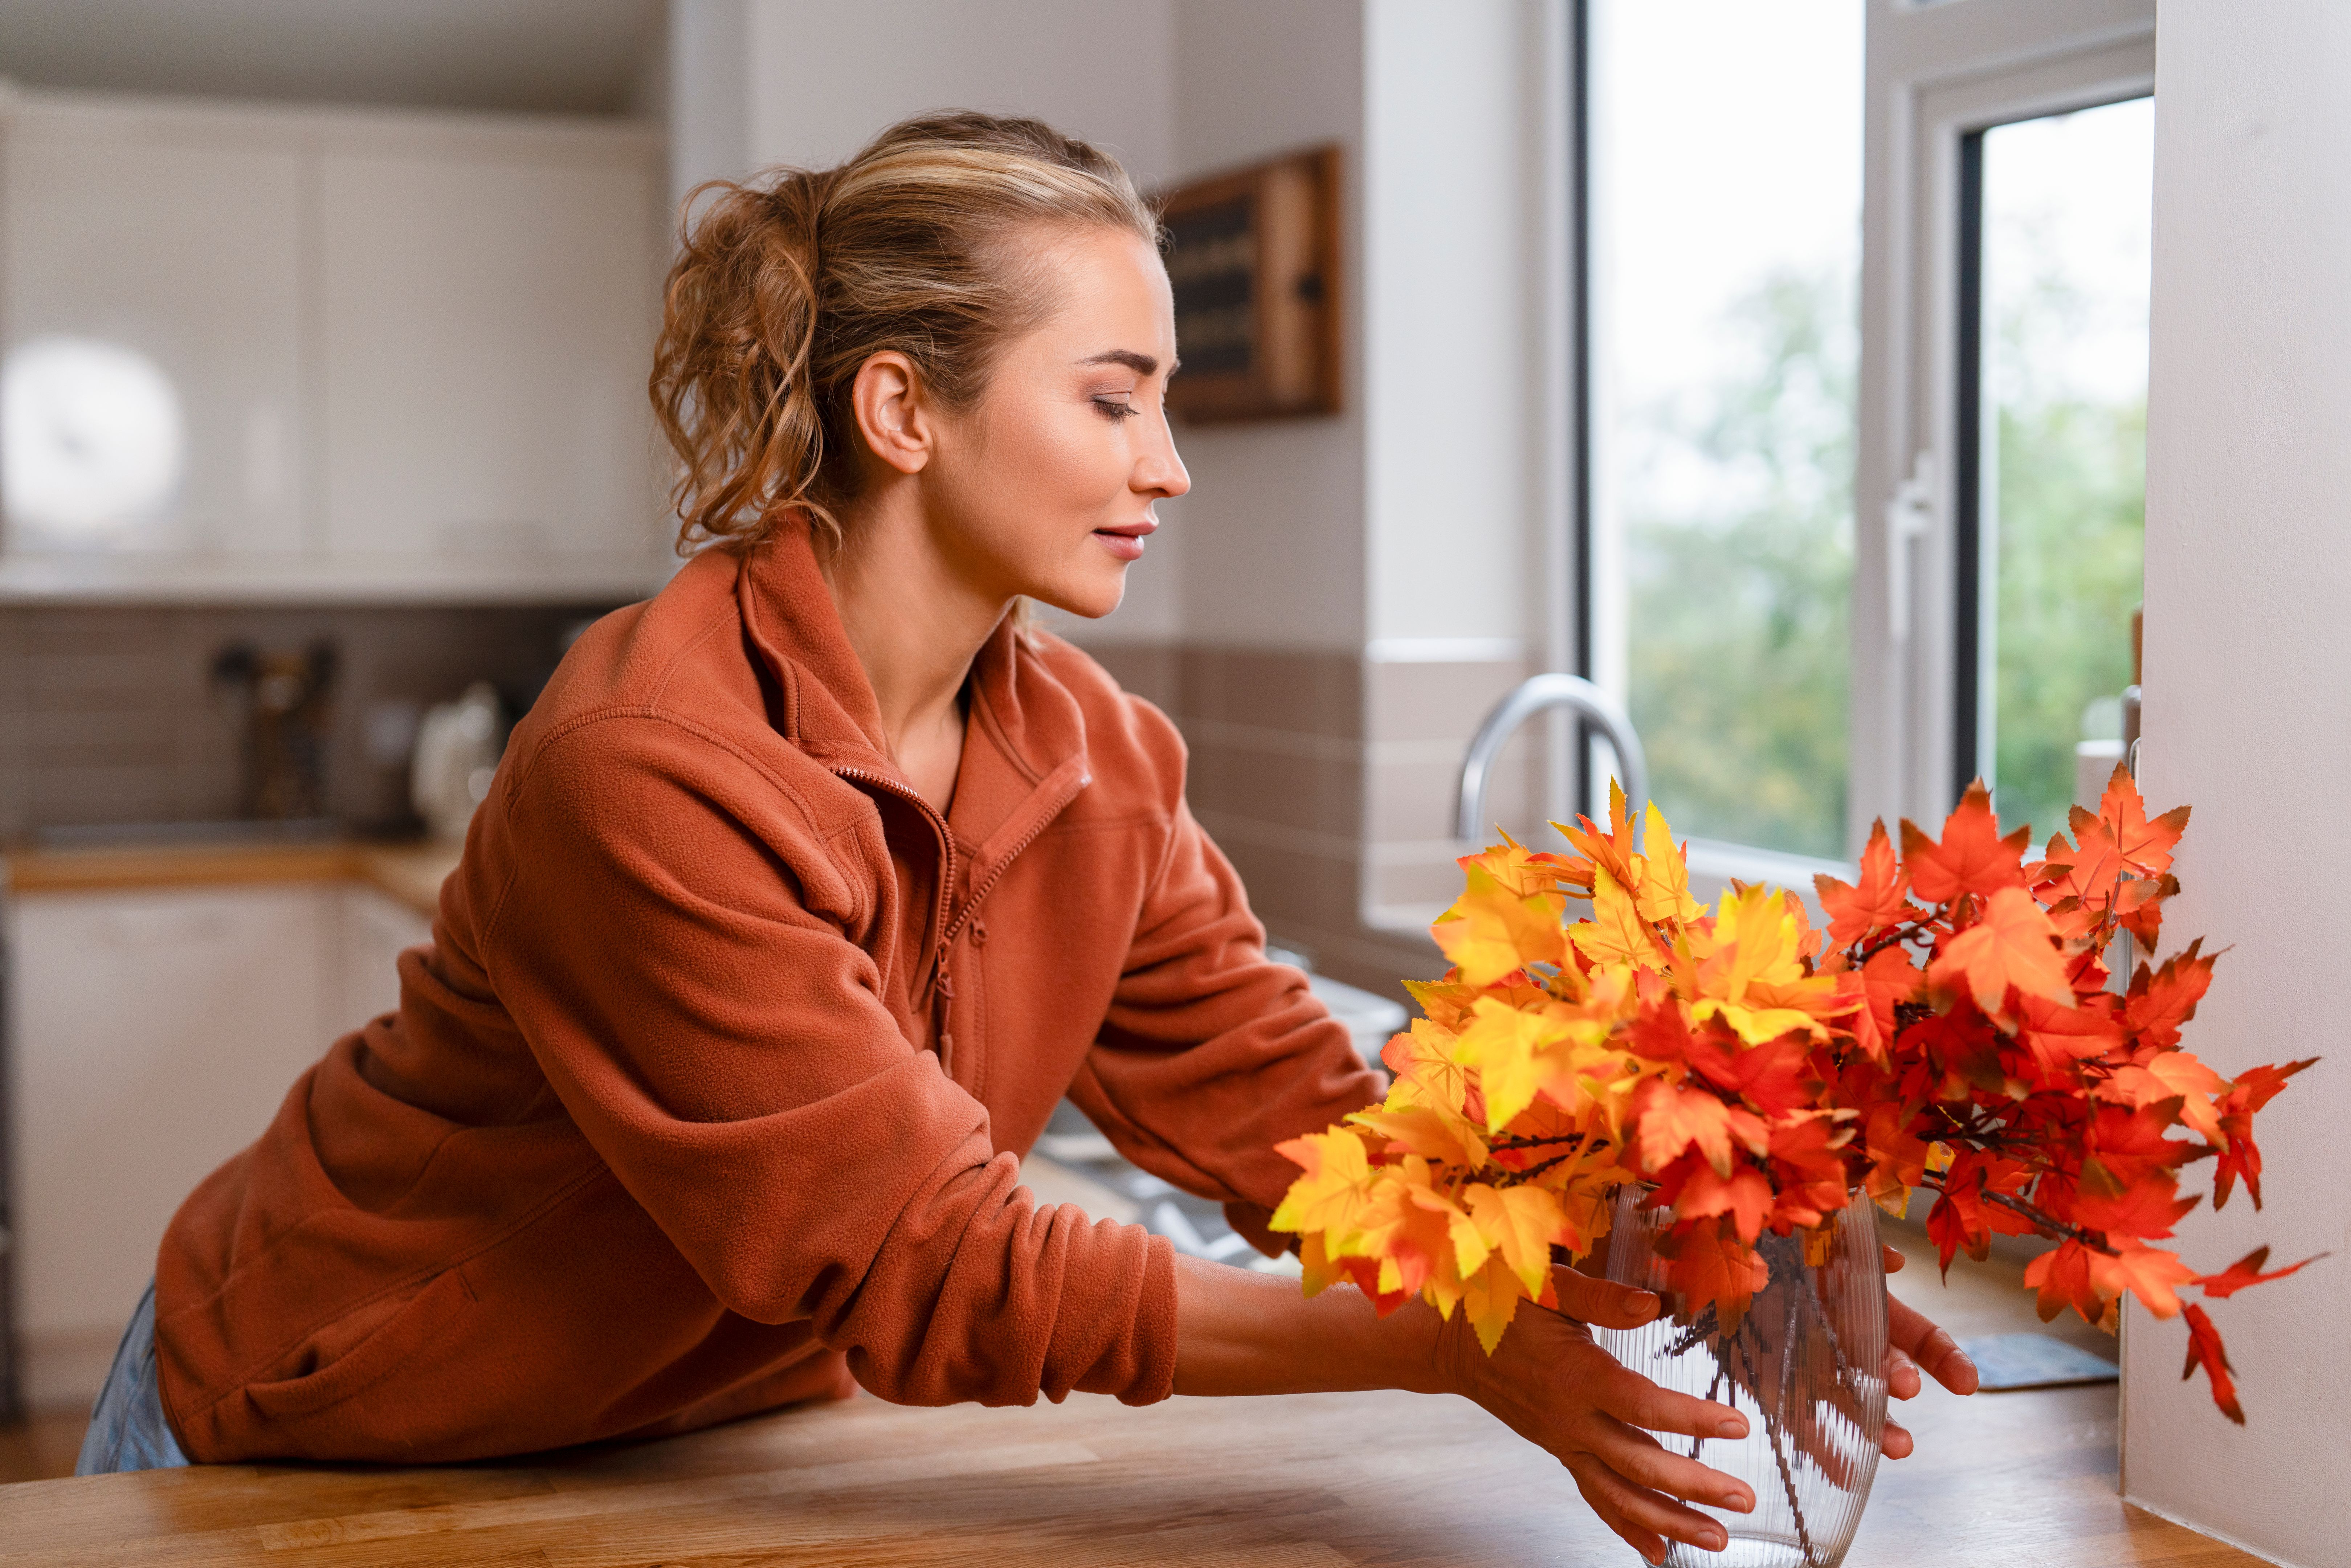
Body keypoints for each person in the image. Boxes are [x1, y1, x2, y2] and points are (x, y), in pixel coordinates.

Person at [81, 112, 1974, 1563]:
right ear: (901, 408)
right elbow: (934, 1264)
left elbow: (1299, 1116)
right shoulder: (648, 762)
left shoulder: (1093, 755)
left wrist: (1703, 1230)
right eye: (1113, 400)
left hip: (693, 1439)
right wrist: (1445, 1354)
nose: (1166, 465)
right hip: (325, 1416)